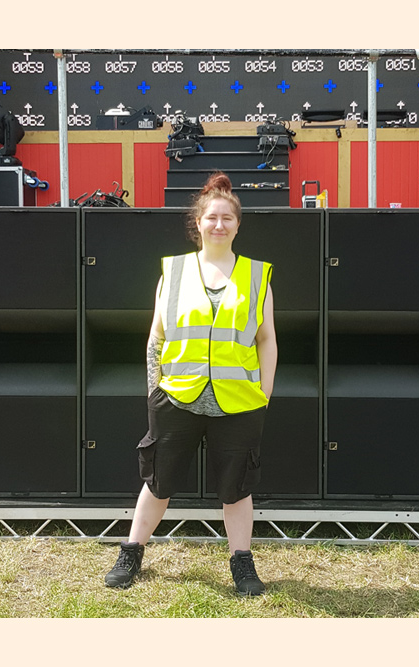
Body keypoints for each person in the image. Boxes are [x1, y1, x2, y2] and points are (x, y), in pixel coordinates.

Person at [104, 171, 277, 596]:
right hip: (177, 397)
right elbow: (156, 337)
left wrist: (264, 393)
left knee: (236, 490)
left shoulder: (257, 277)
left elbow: (267, 339)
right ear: (198, 223)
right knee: (158, 482)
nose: (219, 224)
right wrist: (154, 391)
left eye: (227, 218)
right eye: (212, 217)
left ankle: (242, 566)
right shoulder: (174, 272)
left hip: (238, 402)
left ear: (238, 225)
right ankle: (131, 552)